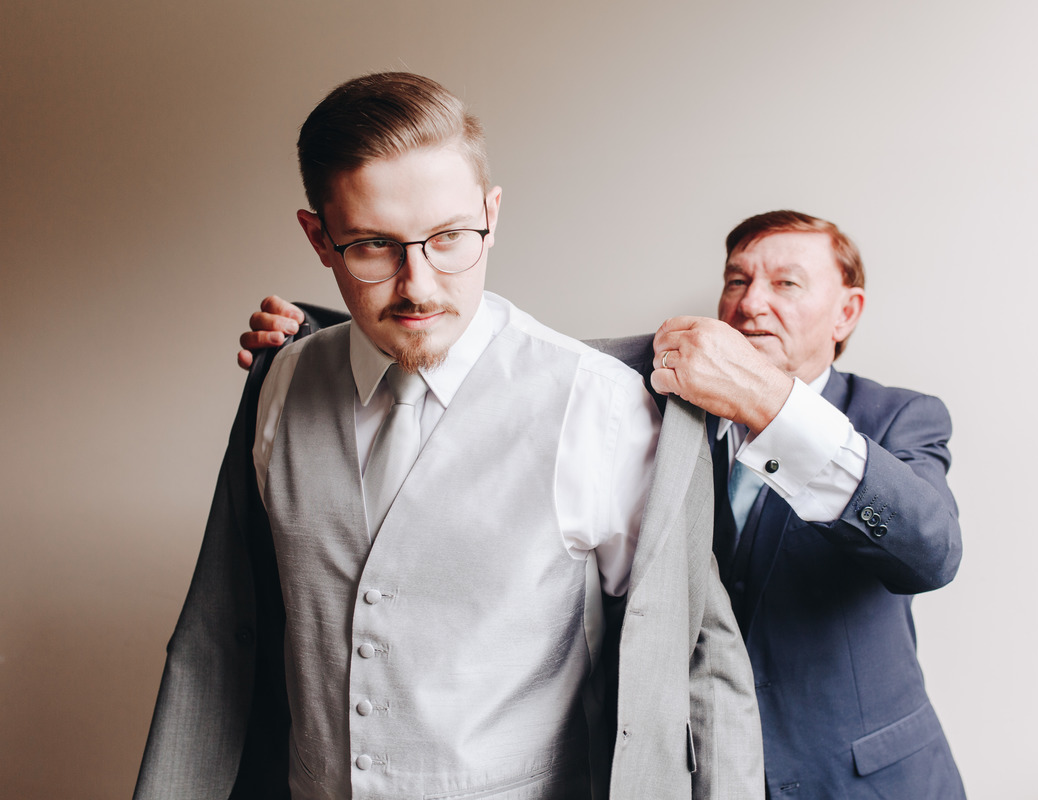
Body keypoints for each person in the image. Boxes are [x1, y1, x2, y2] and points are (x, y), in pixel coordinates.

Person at [135, 72, 762, 800]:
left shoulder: (600, 408)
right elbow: (229, 640)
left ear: (491, 214)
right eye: (374, 245)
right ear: (319, 238)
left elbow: (696, 659)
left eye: (449, 238)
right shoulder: (281, 384)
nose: (419, 285)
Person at [242, 210, 965, 798]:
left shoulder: (902, 418)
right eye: (737, 280)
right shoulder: (651, 393)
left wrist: (770, 405)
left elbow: (929, 549)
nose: (750, 303)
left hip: (863, 782)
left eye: (786, 283)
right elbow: (510, 358)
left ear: (846, 312)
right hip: (692, 776)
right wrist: (317, 335)